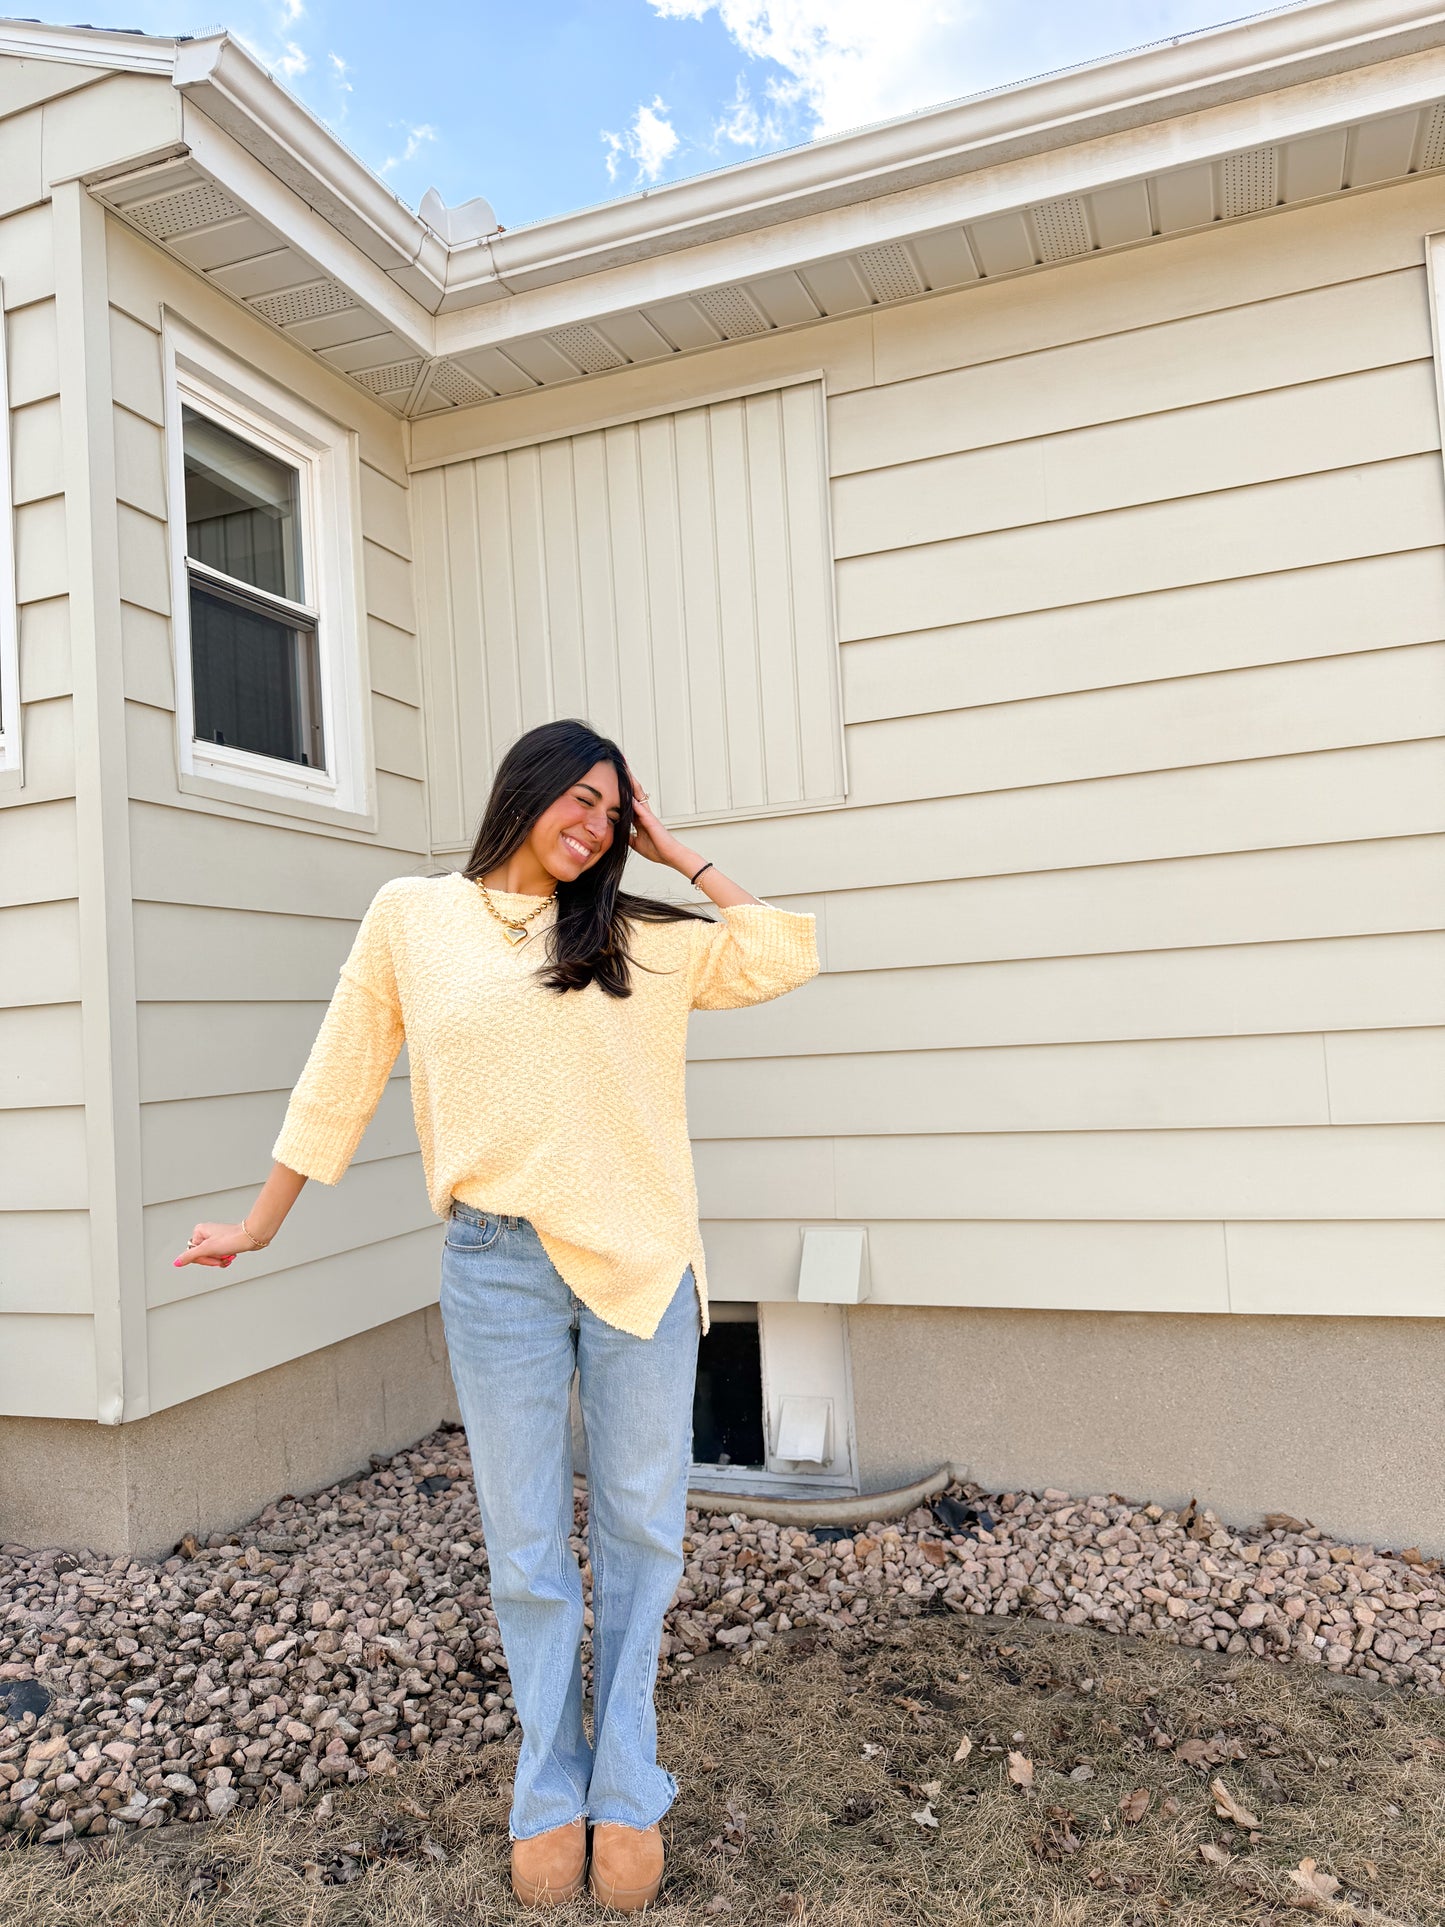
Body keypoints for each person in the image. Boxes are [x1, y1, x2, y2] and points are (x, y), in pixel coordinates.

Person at [172, 717, 819, 1910]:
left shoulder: (638, 939)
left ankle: (623, 1782)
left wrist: (675, 852)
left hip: (641, 1272)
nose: (594, 825)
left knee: (639, 1533)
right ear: (522, 787)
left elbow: (783, 951)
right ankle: (546, 1787)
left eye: (613, 813)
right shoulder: (411, 919)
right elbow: (339, 1070)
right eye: (579, 798)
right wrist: (261, 1222)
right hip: (496, 1270)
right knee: (526, 1550)